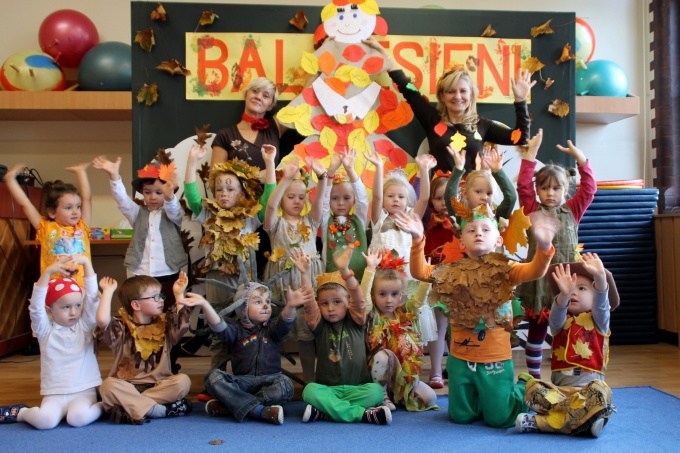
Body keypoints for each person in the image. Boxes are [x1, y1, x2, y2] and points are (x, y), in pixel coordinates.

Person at [399, 203, 559, 428]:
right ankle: (483, 400)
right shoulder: (452, 271)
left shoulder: (507, 269)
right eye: (471, 230)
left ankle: (525, 385)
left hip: (495, 358)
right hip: (460, 358)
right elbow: (421, 272)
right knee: (460, 416)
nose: (478, 233)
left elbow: (535, 271)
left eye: (485, 229)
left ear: (498, 240)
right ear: (462, 242)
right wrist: (418, 240)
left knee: (500, 419)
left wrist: (544, 248)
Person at [175, 252, 315, 425]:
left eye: (268, 301)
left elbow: (286, 320)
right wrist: (205, 304)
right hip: (241, 382)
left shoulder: (272, 329)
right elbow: (218, 324)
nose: (266, 305)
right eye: (258, 302)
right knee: (213, 377)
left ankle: (231, 405)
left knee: (285, 385)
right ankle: (259, 410)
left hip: (270, 381)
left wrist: (291, 306)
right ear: (242, 307)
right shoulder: (235, 330)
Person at [364, 37, 533, 173]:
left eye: (463, 91)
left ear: (471, 95)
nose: (457, 96)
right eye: (451, 91)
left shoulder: (483, 126)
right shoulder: (432, 119)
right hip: (440, 198)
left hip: (473, 199)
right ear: (442, 96)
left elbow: (520, 138)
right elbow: (409, 89)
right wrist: (387, 59)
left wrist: (520, 100)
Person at [185, 144, 276, 370]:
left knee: (245, 326)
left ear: (242, 193)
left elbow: (269, 199)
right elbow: (192, 196)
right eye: (218, 189)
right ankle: (216, 376)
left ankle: (244, 372)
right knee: (218, 326)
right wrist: (192, 161)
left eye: (230, 188)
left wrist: (269, 163)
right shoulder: (208, 214)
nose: (223, 193)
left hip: (244, 280)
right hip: (217, 278)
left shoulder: (249, 217)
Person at [516, 129, 598, 379]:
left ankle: (574, 376)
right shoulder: (531, 209)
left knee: (572, 330)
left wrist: (581, 159)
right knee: (537, 331)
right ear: (537, 190)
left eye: (556, 188)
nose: (550, 193)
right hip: (541, 283)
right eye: (544, 188)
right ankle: (534, 378)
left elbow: (589, 189)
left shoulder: (573, 210)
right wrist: (530, 156)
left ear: (566, 189)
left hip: (569, 282)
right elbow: (522, 186)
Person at [515, 252, 617, 437]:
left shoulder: (599, 322)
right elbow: (557, 312)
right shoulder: (560, 323)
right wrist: (564, 294)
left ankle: (541, 423)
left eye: (582, 288)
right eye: (572, 288)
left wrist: (600, 279)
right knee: (532, 388)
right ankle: (583, 422)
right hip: (560, 394)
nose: (574, 292)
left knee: (601, 391)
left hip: (587, 393)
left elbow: (602, 304)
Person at [0, 257, 102, 429]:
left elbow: (92, 299)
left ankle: (107, 405)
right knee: (45, 422)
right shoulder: (44, 331)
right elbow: (36, 308)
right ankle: (22, 412)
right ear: (49, 310)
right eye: (66, 307)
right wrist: (47, 273)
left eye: (78, 305)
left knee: (77, 419)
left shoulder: (84, 327)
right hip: (54, 393)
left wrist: (86, 263)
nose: (73, 312)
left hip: (84, 390)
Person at [296, 247, 391, 425]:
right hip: (329, 390)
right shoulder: (319, 325)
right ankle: (362, 415)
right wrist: (304, 273)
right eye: (324, 303)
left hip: (358, 389)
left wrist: (345, 271)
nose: (331, 308)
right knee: (309, 391)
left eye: (337, 302)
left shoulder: (356, 321)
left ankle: (325, 412)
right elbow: (308, 301)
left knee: (376, 392)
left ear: (348, 303)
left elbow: (358, 297)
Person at [92, 155, 186, 317]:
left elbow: (173, 209)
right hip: (142, 274)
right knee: (143, 312)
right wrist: (114, 176)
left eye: (159, 192)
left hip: (168, 273)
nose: (153, 197)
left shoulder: (173, 214)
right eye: (147, 192)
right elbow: (122, 201)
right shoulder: (137, 213)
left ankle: (169, 334)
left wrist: (169, 196)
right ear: (142, 193)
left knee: (169, 312)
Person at [96, 273, 193, 424]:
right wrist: (107, 292)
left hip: (158, 386)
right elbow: (102, 321)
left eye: (161, 296)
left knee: (183, 381)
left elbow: (182, 325)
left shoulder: (165, 325)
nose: (161, 300)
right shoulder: (122, 328)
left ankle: (130, 407)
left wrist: (179, 294)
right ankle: (159, 411)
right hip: (127, 386)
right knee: (108, 386)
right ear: (136, 305)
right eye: (155, 297)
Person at [263, 158, 327, 383]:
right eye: (291, 197)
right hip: (282, 286)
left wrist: (322, 178)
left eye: (301, 197)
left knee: (306, 335)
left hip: (307, 283)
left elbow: (319, 203)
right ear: (282, 198)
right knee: (276, 331)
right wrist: (286, 180)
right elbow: (271, 206)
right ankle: (272, 379)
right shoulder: (275, 224)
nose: (297, 201)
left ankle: (310, 380)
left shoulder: (311, 222)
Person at [360, 248, 438, 412]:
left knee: (430, 398)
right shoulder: (373, 315)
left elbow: (418, 302)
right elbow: (363, 300)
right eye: (382, 294)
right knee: (383, 356)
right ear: (373, 295)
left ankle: (399, 394)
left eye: (394, 294)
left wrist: (426, 279)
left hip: (402, 373)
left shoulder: (405, 312)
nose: (389, 300)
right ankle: (381, 394)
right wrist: (370, 269)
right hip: (378, 371)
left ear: (401, 295)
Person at [3, 162, 92, 286]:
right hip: (55, 286)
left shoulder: (82, 226)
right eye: (68, 208)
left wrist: (81, 172)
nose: (75, 212)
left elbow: (87, 199)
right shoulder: (46, 227)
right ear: (52, 212)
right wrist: (11, 180)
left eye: (78, 206)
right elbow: (25, 204)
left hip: (82, 286)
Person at [210, 77, 286, 172]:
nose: (258, 97)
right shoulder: (225, 135)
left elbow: (300, 103)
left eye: (265, 96)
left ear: (270, 105)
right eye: (255, 91)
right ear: (246, 95)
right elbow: (214, 178)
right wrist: (258, 176)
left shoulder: (275, 127)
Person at [320, 148, 369, 280]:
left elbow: (363, 200)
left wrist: (350, 170)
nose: (341, 203)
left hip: (359, 280)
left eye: (346, 198)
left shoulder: (359, 219)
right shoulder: (326, 221)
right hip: (332, 282)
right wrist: (331, 172)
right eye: (335, 198)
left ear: (354, 200)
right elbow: (323, 201)